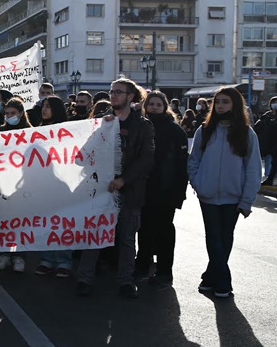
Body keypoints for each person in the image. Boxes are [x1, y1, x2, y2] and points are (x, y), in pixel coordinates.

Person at [76, 79, 155, 299]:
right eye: (112, 92)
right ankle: (84, 279)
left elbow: (146, 159)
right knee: (94, 235)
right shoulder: (103, 122)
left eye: (118, 92)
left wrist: (124, 179)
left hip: (129, 191)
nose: (113, 95)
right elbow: (83, 155)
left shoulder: (143, 125)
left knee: (127, 238)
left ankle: (126, 282)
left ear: (131, 97)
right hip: (101, 190)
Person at [188, 86, 262, 298]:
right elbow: (194, 161)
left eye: (225, 102)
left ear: (235, 105)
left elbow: (253, 169)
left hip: (233, 196)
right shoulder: (204, 130)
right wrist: (198, 183)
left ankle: (211, 277)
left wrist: (247, 200)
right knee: (213, 236)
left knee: (225, 236)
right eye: (218, 102)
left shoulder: (246, 134)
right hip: (208, 195)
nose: (220, 106)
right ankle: (222, 282)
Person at [135, 91, 188, 286]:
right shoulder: (140, 126)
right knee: (144, 230)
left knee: (164, 231)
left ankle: (165, 270)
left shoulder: (175, 130)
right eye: (151, 104)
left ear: (165, 107)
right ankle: (142, 265)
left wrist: (179, 193)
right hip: (143, 189)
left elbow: (182, 166)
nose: (154, 107)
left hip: (166, 190)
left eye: (158, 104)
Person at [33, 98, 73, 278]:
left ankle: (64, 260)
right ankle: (47, 258)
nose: (44, 109)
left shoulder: (67, 130)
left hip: (63, 182)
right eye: (44, 106)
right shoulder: (39, 129)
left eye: (48, 107)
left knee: (62, 222)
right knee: (46, 222)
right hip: (43, 182)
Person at [0, 97, 31, 273]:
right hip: (4, 182)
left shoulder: (31, 133)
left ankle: (20, 256)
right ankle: (4, 253)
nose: (9, 116)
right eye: (7, 113)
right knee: (4, 220)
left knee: (21, 220)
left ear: (21, 114)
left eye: (13, 114)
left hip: (22, 184)